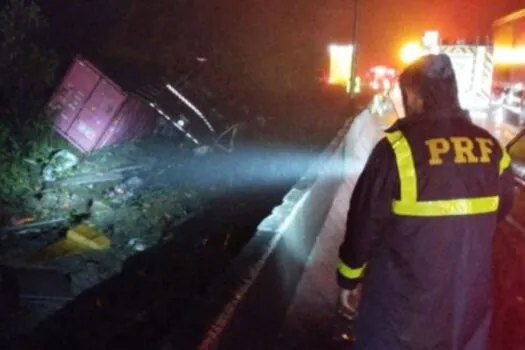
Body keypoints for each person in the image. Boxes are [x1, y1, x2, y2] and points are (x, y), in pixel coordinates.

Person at [335, 54, 515, 350]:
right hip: (467, 312)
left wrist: (348, 278)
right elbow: (502, 209)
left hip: (400, 315)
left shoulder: (396, 150)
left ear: (414, 95)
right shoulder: (492, 149)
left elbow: (363, 222)